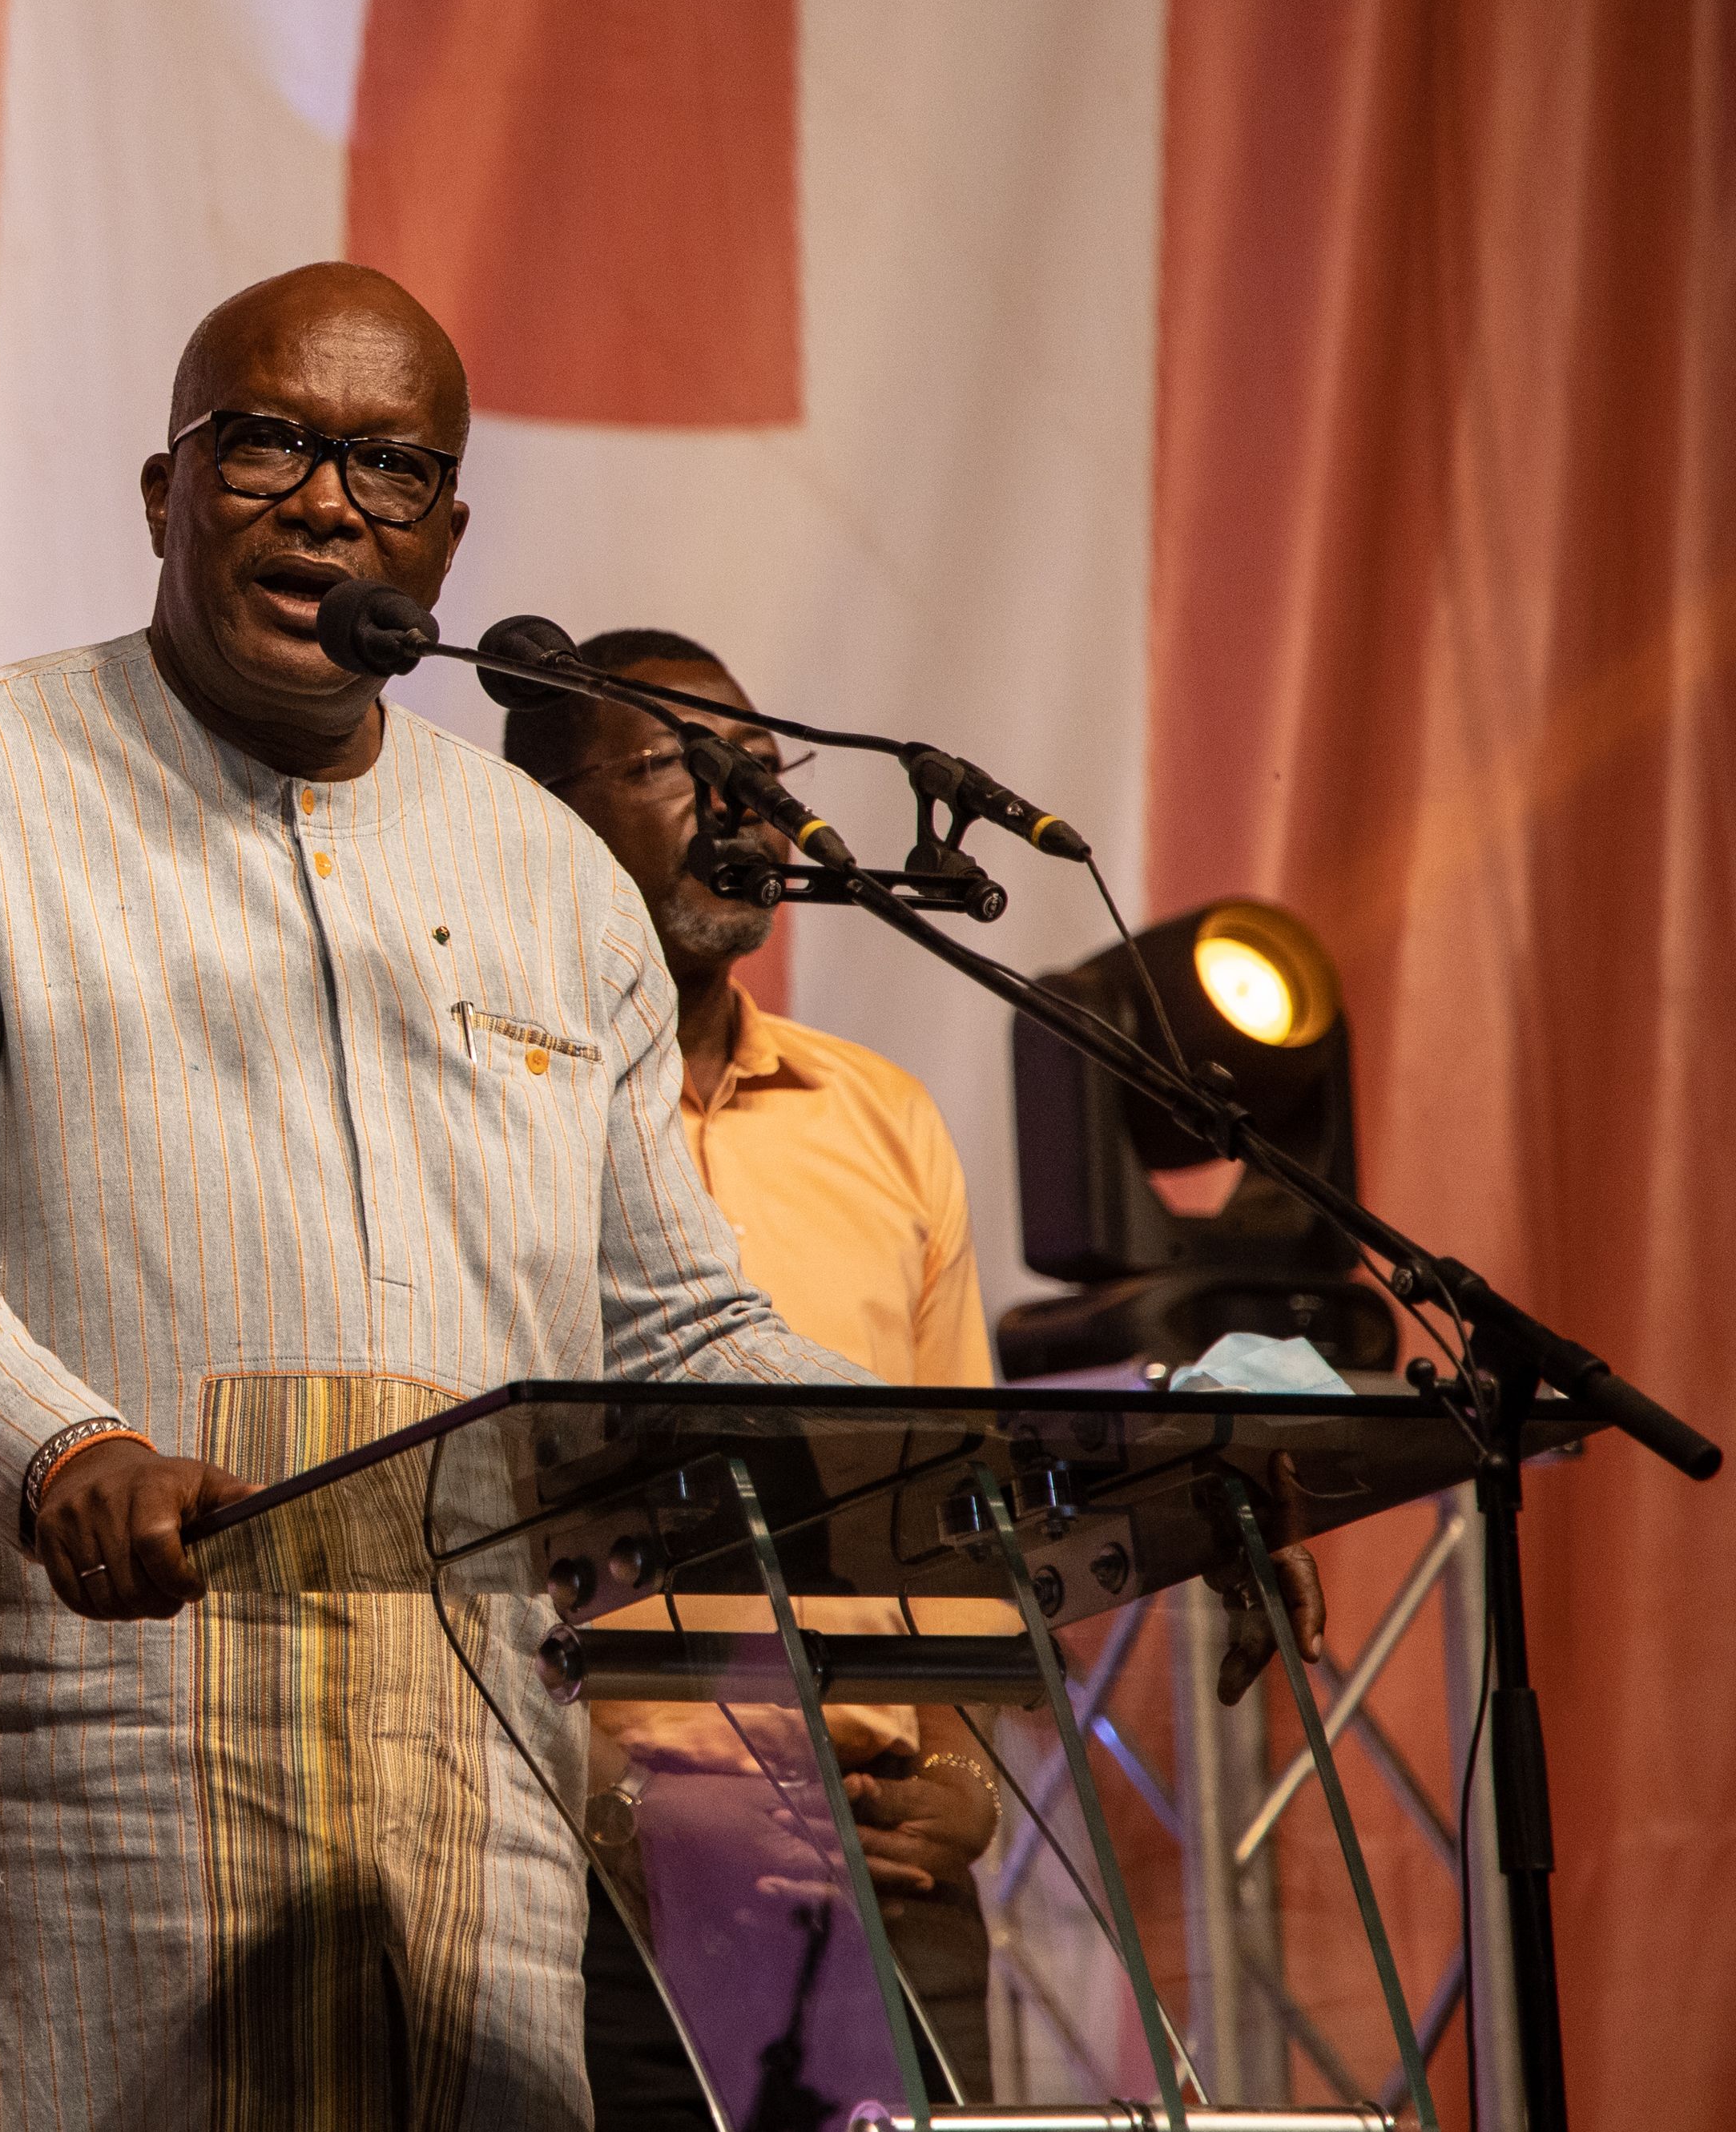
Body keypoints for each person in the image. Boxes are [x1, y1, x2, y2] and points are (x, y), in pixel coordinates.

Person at [0, 262, 868, 2132]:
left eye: (386, 467)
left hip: (469, 1795)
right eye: (266, 442)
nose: (322, 502)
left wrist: (999, 1457)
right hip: (99, 1782)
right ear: (158, 487)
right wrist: (59, 1448)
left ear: (444, 535)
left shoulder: (546, 870)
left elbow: (674, 1316)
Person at [510, 628, 1326, 2118]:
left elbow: (958, 1532)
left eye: (761, 769)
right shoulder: (486, 1115)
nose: (740, 803)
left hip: (884, 1876)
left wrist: (955, 1778)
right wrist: (606, 1798)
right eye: (674, 768)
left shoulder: (876, 1118)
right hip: (588, 1886)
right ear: (542, 822)